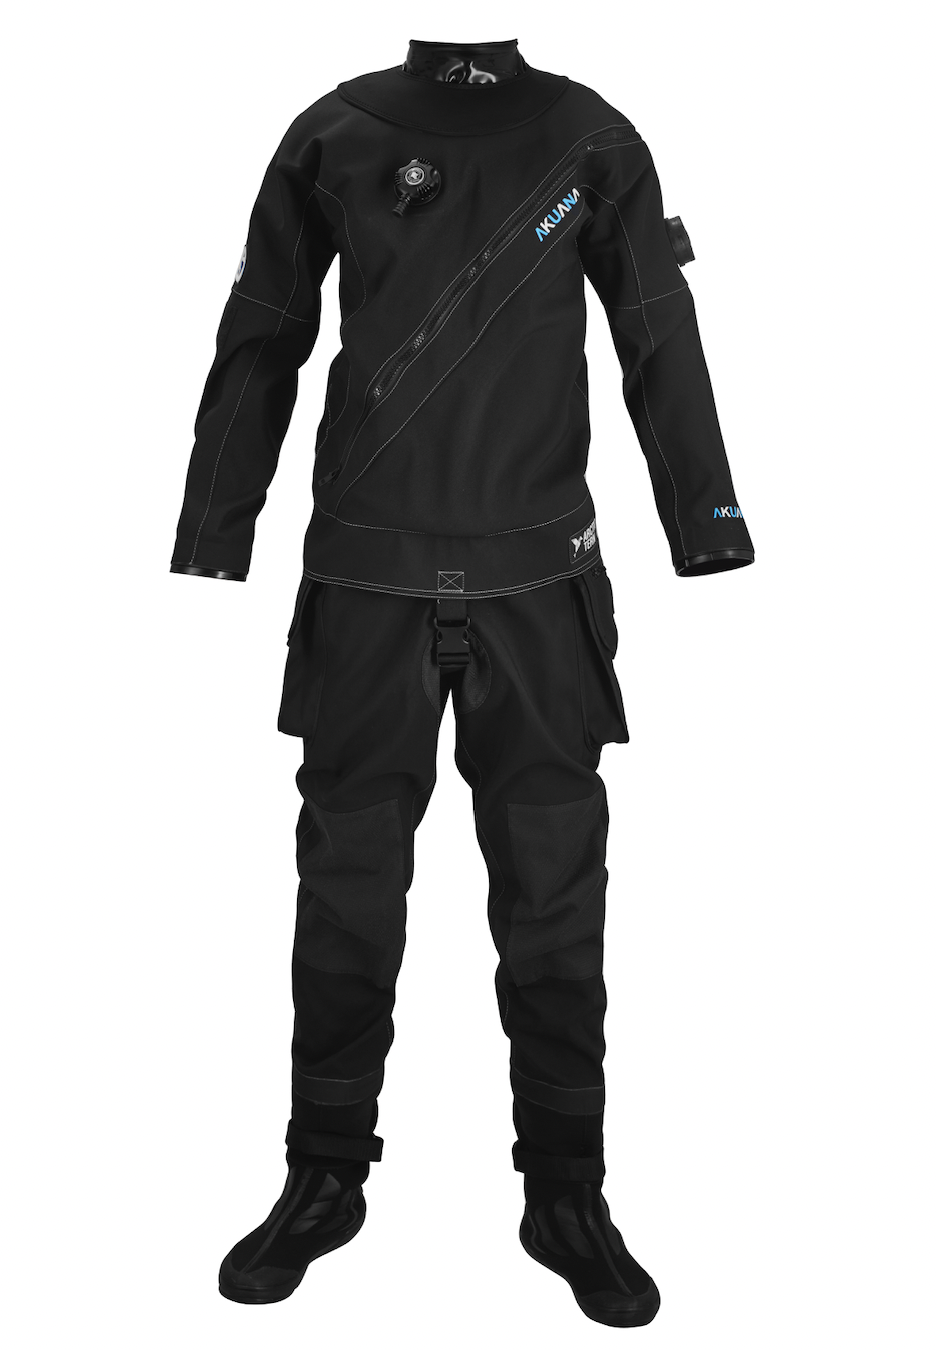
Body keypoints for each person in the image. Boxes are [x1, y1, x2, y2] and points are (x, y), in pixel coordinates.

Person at [170, 37, 754, 1327]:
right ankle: (324, 1175)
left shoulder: (590, 139)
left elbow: (658, 327)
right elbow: (265, 327)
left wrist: (705, 519)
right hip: (365, 587)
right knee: (346, 894)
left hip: (540, 590)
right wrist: (216, 525)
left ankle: (568, 1194)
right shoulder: (334, 133)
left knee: (556, 899)